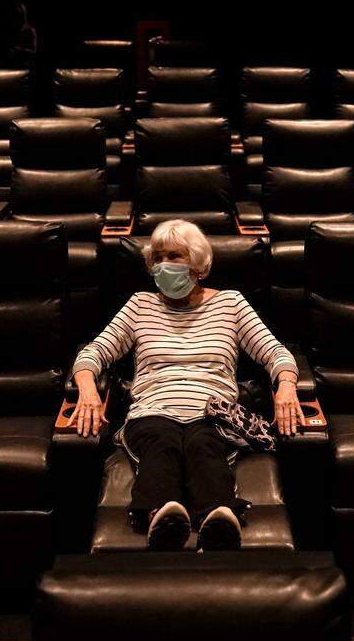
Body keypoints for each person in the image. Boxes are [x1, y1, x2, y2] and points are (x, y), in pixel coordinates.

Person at [70, 220, 303, 551]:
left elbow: (277, 354)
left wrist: (287, 387)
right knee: (163, 439)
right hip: (152, 410)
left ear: (198, 265)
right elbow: (92, 354)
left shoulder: (231, 304)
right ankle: (159, 517)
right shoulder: (139, 305)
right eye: (159, 257)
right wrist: (89, 390)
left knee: (202, 443)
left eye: (175, 256)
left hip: (211, 412)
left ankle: (220, 519)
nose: (165, 265)